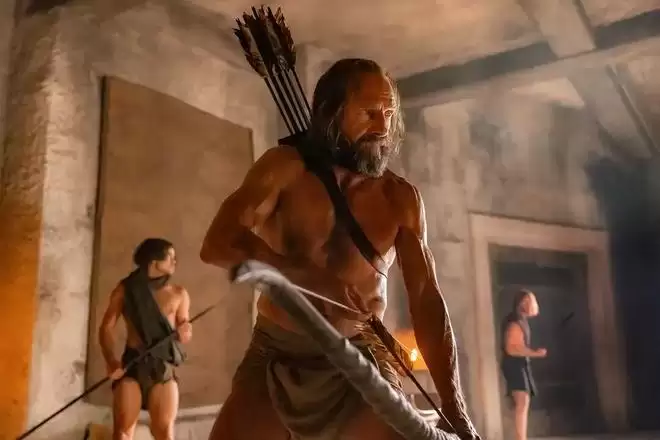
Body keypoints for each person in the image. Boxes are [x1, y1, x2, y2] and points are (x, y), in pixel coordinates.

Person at [200, 58, 480, 440]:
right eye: (369, 113)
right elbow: (217, 244)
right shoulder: (285, 169)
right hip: (277, 352)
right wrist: (301, 274)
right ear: (332, 113)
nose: (382, 127)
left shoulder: (400, 199)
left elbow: (426, 298)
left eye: (389, 114)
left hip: (360, 356)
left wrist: (453, 405)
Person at [99, 238, 193, 440]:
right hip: (132, 367)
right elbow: (106, 328)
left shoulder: (179, 294)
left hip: (162, 369)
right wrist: (110, 360)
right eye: (170, 257)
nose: (175, 262)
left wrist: (185, 332)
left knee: (165, 432)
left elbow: (184, 330)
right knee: (122, 434)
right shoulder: (126, 290)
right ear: (154, 261)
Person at [501, 289, 547, 440]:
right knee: (521, 402)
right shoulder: (515, 322)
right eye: (526, 301)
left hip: (519, 364)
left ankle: (521, 437)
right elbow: (512, 348)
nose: (530, 305)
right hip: (515, 365)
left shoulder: (520, 321)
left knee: (522, 402)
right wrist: (535, 353)